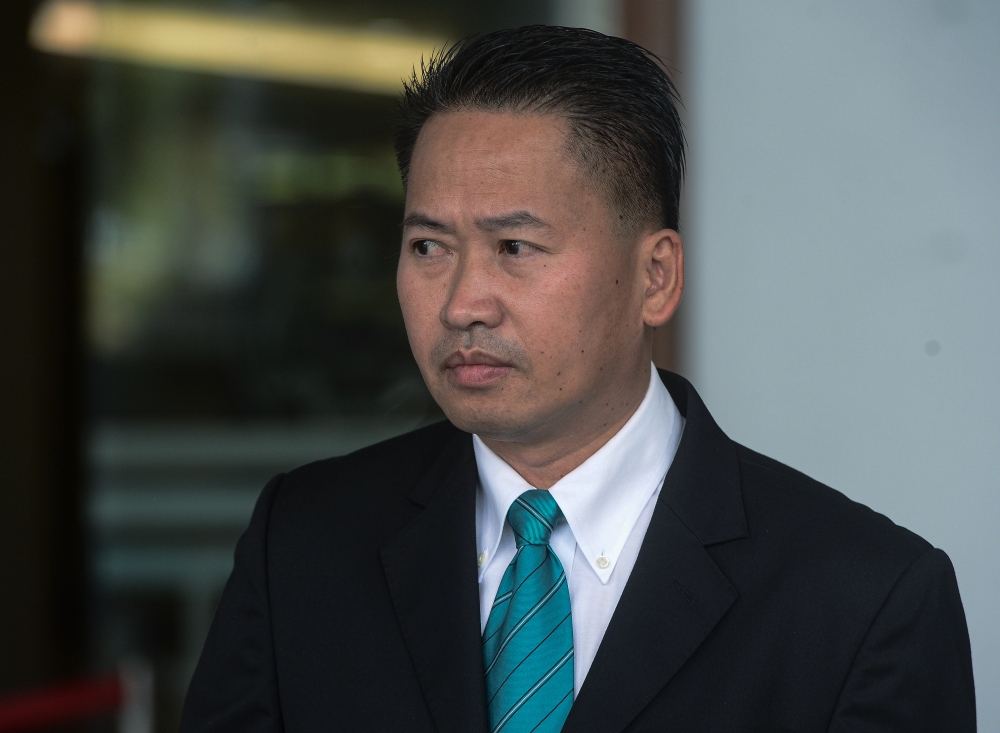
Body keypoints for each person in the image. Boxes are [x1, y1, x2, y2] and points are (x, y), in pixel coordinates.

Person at [180, 25, 976, 732]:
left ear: (655, 277)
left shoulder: (864, 598)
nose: (462, 302)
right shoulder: (306, 546)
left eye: (515, 248)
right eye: (428, 246)